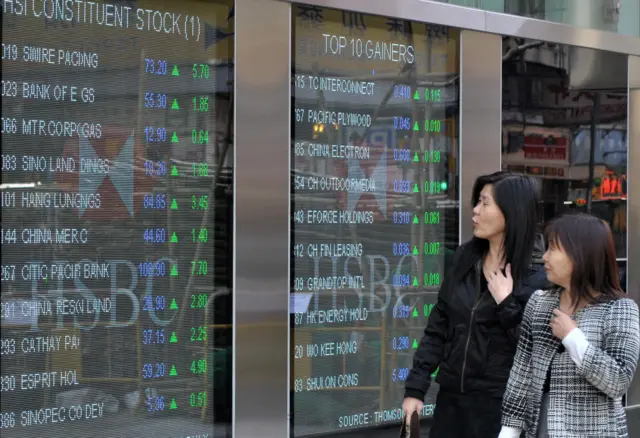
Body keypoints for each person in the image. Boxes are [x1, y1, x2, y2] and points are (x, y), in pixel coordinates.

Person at [402, 171, 550, 438]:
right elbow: (438, 327)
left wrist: (507, 304)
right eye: (477, 202)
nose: (475, 211)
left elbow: (537, 354)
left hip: (501, 408)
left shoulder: (539, 273)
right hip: (451, 402)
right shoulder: (465, 258)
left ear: (511, 212)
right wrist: (416, 388)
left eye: (485, 203)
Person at [499, 214, 640, 438]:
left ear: (580, 254)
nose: (544, 257)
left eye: (553, 249)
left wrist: (574, 338)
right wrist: (508, 433)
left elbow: (618, 381)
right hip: (541, 430)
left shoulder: (620, 309)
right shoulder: (539, 302)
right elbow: (521, 375)